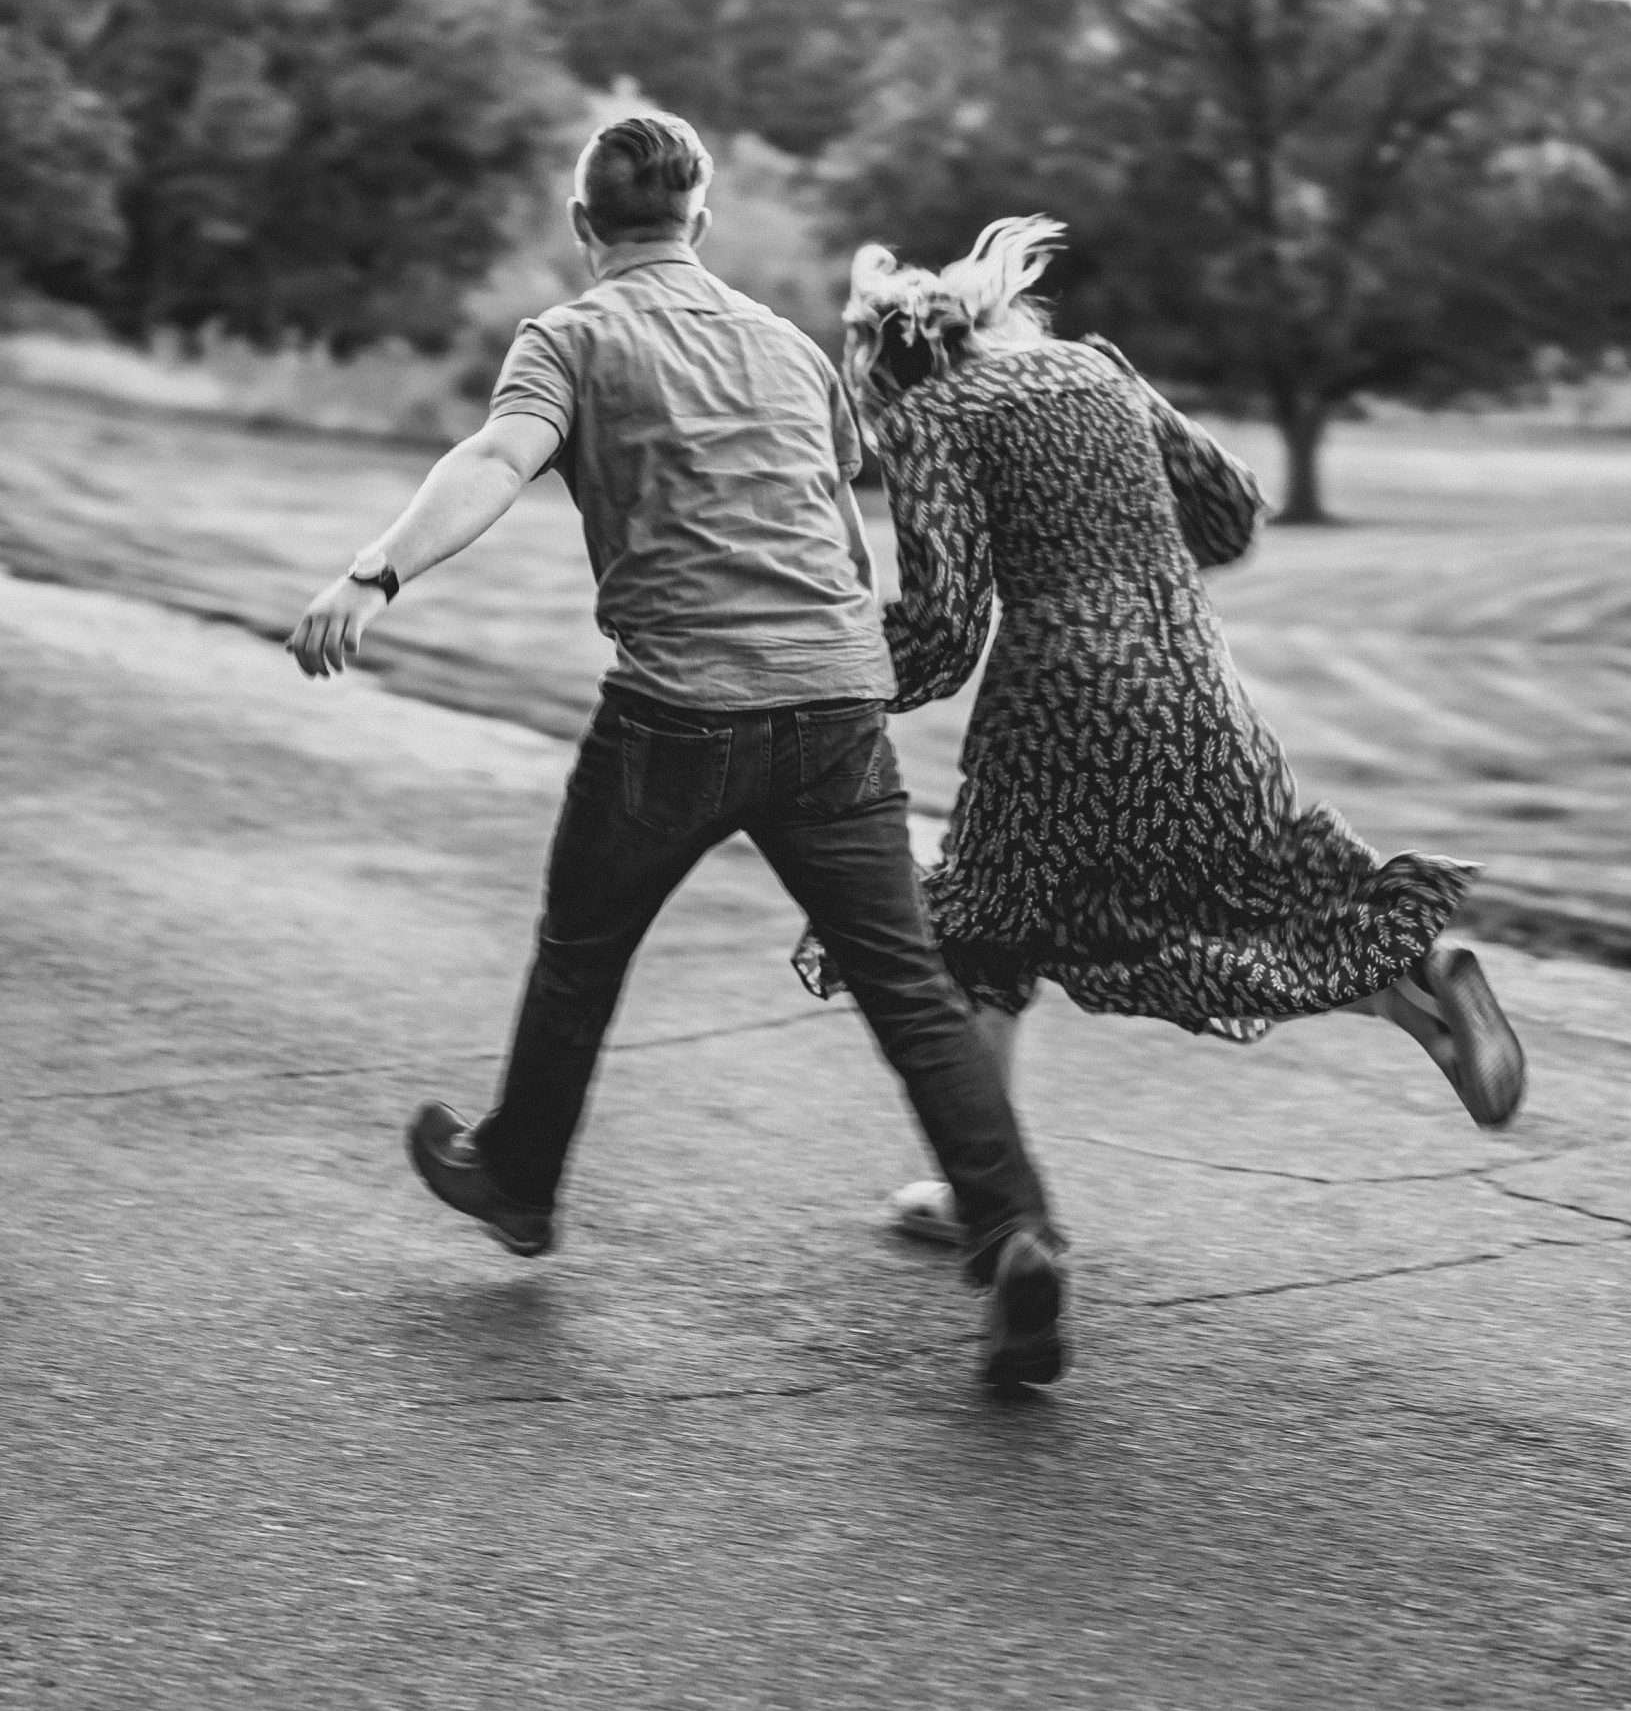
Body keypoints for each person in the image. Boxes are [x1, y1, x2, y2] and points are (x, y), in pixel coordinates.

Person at [287, 115, 1066, 1387]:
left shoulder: (573, 336)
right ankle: (1016, 1227)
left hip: (680, 709)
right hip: (832, 704)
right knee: (913, 992)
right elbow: (830, 501)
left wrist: (375, 574)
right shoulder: (788, 344)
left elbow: (497, 459)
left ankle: (519, 1179)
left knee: (581, 949)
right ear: (698, 222)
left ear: (585, 226)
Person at [792, 216, 1526, 1249]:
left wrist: (837, 677)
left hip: (1057, 703)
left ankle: (981, 1197)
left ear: (884, 366)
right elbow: (1227, 509)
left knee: (985, 937)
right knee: (1247, 903)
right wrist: (1132, 557)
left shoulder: (932, 417)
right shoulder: (1098, 370)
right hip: (1194, 680)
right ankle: (1424, 989)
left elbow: (948, 630)